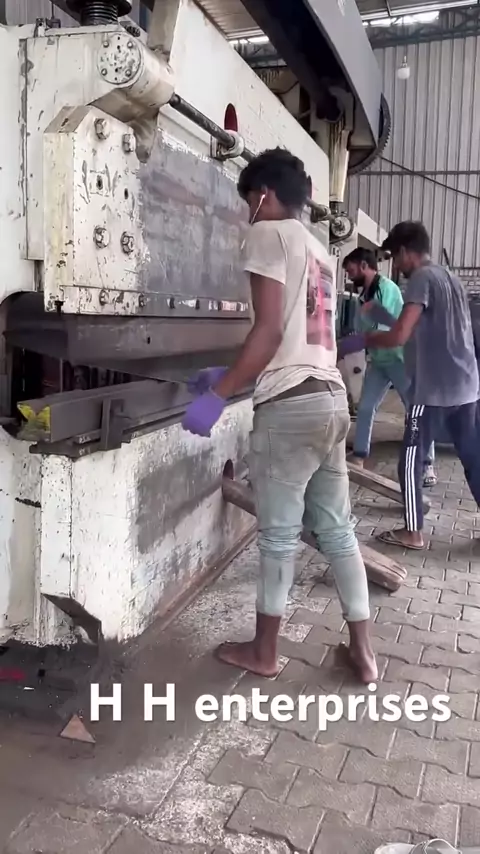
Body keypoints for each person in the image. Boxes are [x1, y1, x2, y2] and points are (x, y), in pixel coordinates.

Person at [182, 147, 377, 683]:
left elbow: (267, 332)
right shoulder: (319, 250)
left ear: (263, 195)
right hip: (331, 399)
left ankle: (264, 653)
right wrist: (228, 373)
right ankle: (364, 652)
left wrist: (220, 394)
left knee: (278, 536)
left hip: (289, 410)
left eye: (248, 199)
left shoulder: (267, 234)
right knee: (338, 531)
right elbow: (297, 338)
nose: (247, 211)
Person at [339, 221, 480, 550]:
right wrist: (383, 320)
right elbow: (418, 327)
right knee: (474, 459)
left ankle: (413, 532)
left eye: (395, 257)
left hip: (432, 390)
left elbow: (400, 336)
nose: (397, 265)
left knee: (410, 462)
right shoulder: (449, 278)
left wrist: (363, 339)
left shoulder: (420, 279)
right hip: (466, 386)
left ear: (405, 251)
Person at [342, 247, 437, 487]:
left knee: (415, 409)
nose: (349, 276)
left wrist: (357, 342)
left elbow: (387, 328)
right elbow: (362, 328)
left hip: (399, 359)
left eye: (351, 270)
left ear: (364, 266)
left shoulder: (387, 289)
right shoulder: (364, 295)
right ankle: (360, 455)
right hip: (379, 361)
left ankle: (427, 464)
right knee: (365, 407)